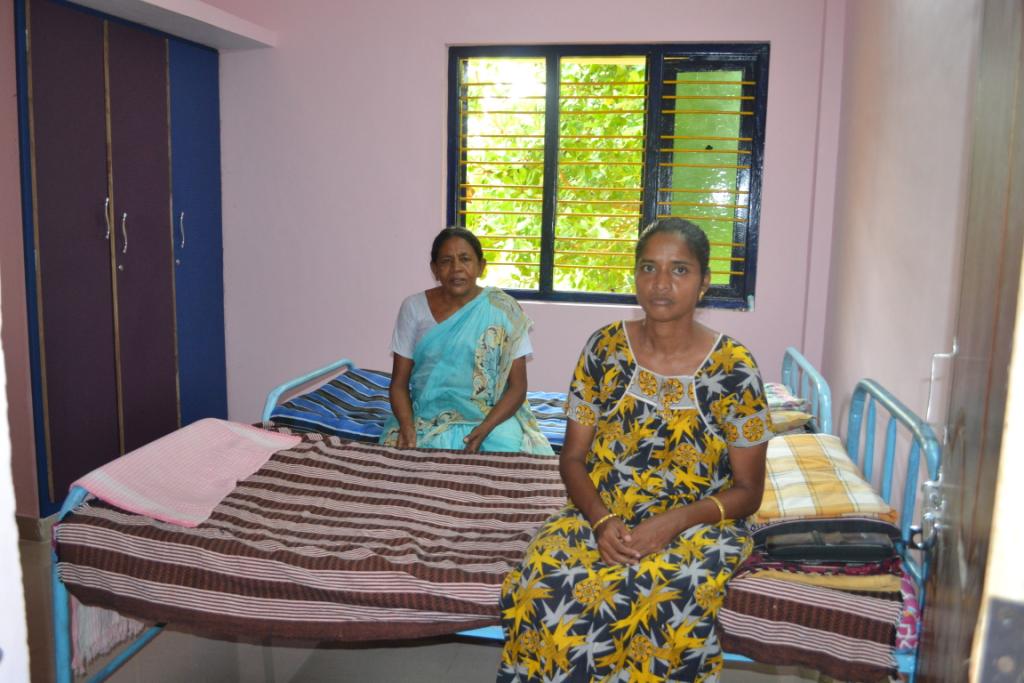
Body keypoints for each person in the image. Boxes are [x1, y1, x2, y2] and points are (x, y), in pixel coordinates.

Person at [497, 218, 773, 682]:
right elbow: (572, 458)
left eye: (680, 270)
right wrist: (601, 520)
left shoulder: (734, 369)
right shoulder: (604, 348)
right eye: (649, 267)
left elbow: (749, 491)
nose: (661, 283)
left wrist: (671, 523)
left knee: (665, 592)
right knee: (543, 579)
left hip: (697, 523)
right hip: (603, 510)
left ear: (704, 281)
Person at [379, 227, 553, 455]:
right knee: (407, 458)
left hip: (491, 418)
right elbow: (399, 384)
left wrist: (485, 428)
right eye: (446, 261)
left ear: (481, 266)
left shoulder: (504, 309)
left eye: (465, 259)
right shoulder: (413, 308)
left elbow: (518, 388)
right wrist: (407, 426)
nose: (456, 268)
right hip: (427, 418)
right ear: (434, 269)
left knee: (510, 454)